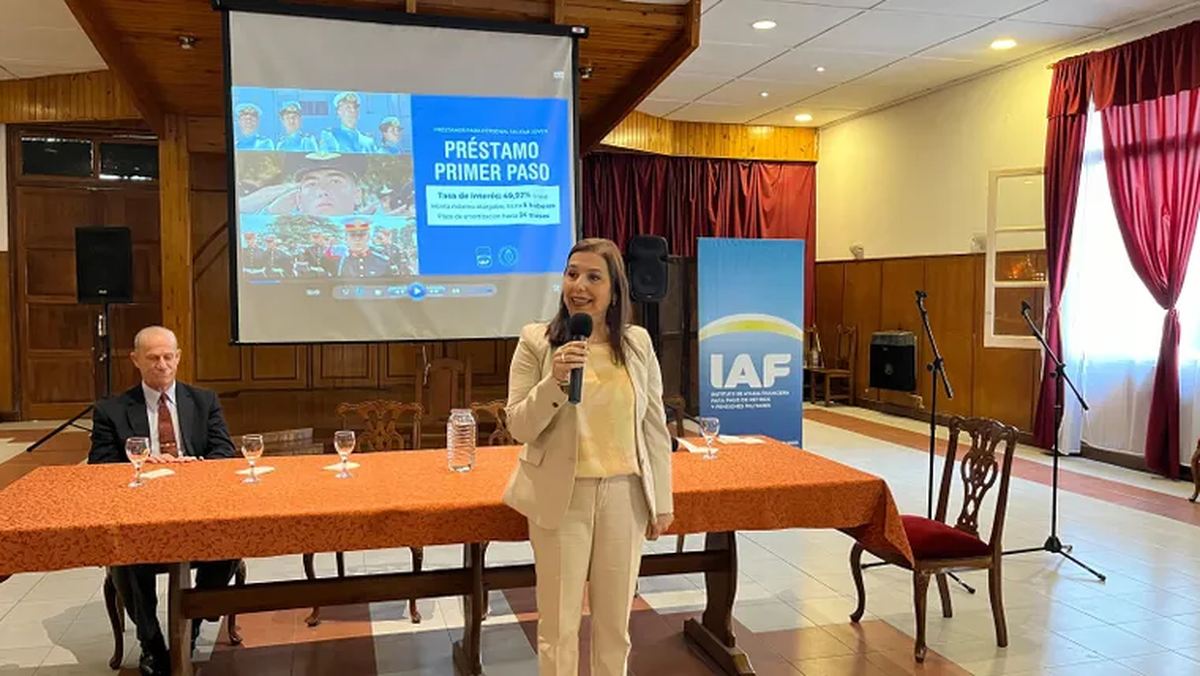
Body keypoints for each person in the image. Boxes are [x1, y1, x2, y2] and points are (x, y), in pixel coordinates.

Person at [503, 238, 674, 676]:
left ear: (614, 290)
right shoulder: (536, 341)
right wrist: (556, 381)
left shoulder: (636, 344)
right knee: (558, 626)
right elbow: (519, 425)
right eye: (572, 274)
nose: (579, 286)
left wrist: (662, 500)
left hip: (624, 496)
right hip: (562, 497)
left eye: (593, 277)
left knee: (615, 626)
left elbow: (654, 426)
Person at [88, 326, 238, 676]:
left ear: (178, 358)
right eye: (153, 358)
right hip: (140, 509)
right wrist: (141, 463)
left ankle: (192, 626)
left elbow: (223, 452)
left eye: (168, 357)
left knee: (233, 536)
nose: (162, 364)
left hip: (197, 505)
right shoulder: (111, 410)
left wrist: (197, 465)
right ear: (135, 360)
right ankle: (152, 644)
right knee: (125, 554)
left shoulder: (203, 401)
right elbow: (100, 467)